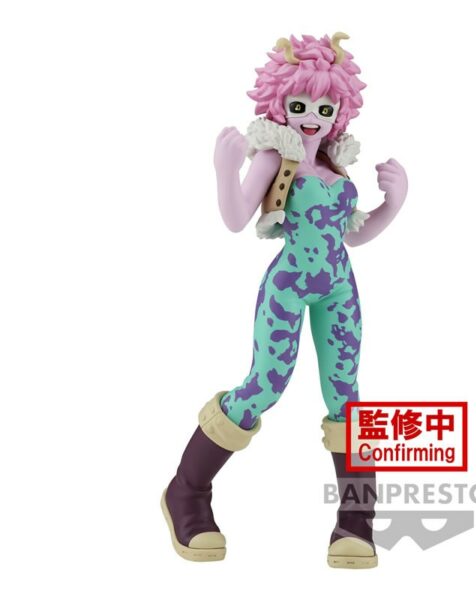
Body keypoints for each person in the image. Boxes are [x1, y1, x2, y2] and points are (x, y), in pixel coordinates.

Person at [161, 32, 408, 569]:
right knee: (264, 385)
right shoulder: (276, 157)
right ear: (279, 104)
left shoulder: (338, 167)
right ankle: (186, 491)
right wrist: (224, 170)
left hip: (340, 287)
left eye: (325, 107)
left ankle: (356, 521)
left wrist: (394, 204)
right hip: (289, 286)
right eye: (300, 106)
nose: (312, 117)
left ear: (341, 109)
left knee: (347, 395)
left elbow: (354, 237)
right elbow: (236, 218)